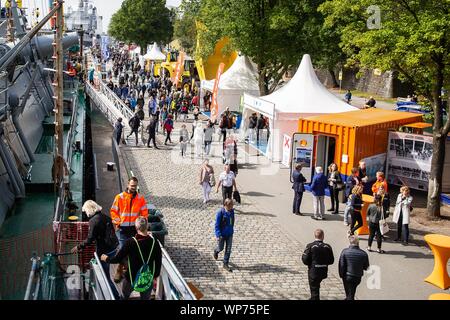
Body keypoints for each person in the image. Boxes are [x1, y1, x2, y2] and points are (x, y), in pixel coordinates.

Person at [101, 217, 162, 300]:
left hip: (131, 277)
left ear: (136, 227)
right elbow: (158, 261)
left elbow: (118, 258)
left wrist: (107, 259)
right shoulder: (155, 242)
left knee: (124, 296)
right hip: (147, 277)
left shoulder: (130, 242)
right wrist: (155, 276)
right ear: (147, 226)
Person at [110, 177, 149, 283]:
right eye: (132, 185)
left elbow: (144, 214)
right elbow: (113, 211)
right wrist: (118, 223)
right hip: (122, 230)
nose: (133, 187)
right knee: (123, 248)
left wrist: (143, 227)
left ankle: (125, 269)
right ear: (127, 185)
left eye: (135, 186)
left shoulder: (140, 199)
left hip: (134, 229)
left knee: (132, 250)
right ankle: (119, 270)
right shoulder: (119, 197)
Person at [71, 200, 119, 282]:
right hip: (113, 248)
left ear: (89, 210)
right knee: (104, 269)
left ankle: (114, 294)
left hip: (105, 251)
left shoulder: (93, 221)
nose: (85, 213)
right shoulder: (105, 217)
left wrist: (78, 247)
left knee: (105, 276)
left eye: (85, 211)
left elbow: (90, 239)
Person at [302, 229, 335, 300]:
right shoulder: (327, 246)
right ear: (323, 236)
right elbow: (331, 261)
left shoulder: (310, 246)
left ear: (314, 236)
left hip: (313, 271)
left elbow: (305, 259)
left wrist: (310, 264)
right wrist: (324, 263)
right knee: (316, 287)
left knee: (314, 290)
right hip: (323, 271)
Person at [339, 235, 370, 300]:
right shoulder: (363, 253)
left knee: (350, 293)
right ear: (358, 243)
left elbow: (341, 265)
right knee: (351, 292)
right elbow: (366, 267)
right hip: (357, 277)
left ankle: (349, 297)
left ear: (350, 242)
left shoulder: (344, 252)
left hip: (347, 276)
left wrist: (341, 275)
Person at [213, 198, 235, 272]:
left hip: (229, 234)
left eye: (231, 206)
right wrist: (218, 234)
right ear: (225, 205)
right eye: (229, 206)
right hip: (222, 235)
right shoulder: (220, 213)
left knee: (228, 250)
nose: (231, 208)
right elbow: (217, 225)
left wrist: (231, 230)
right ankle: (216, 251)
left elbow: (232, 222)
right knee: (221, 248)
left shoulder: (232, 211)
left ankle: (225, 263)